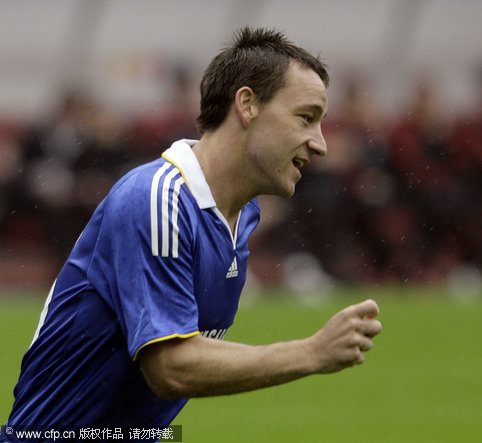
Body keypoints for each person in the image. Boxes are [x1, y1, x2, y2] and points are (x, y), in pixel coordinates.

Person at [2, 27, 382, 439]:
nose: (321, 144)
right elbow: (171, 369)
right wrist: (311, 352)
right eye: (306, 118)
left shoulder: (242, 214)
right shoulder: (156, 199)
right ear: (248, 105)